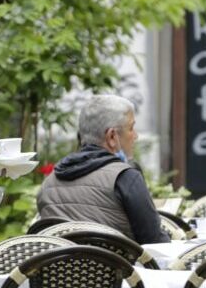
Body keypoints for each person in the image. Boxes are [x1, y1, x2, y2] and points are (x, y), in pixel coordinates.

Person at [37, 95, 170, 244]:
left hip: (59, 267)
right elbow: (155, 242)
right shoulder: (125, 178)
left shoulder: (48, 184)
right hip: (119, 267)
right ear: (112, 136)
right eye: (131, 128)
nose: (136, 136)